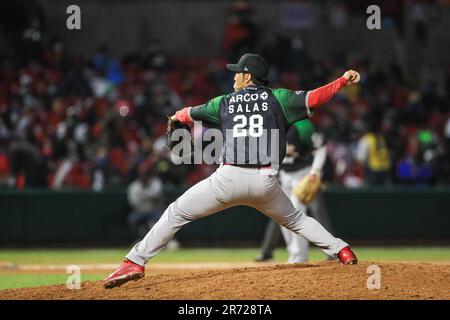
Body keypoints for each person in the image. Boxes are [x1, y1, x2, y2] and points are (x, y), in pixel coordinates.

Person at [103, 53, 360, 289]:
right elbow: (315, 96)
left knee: (176, 212)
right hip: (266, 182)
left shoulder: (224, 102)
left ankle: (135, 261)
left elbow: (183, 115)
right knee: (296, 220)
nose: (234, 75)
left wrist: (176, 120)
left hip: (228, 179)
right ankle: (342, 250)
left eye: (238, 72)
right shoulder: (279, 98)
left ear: (248, 76)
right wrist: (342, 81)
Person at [255, 119, 334, 263]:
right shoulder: (267, 123)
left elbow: (321, 148)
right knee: (283, 216)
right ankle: (295, 254)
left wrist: (315, 171)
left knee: (297, 214)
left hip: (303, 175)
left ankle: (300, 257)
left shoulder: (302, 125)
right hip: (283, 176)